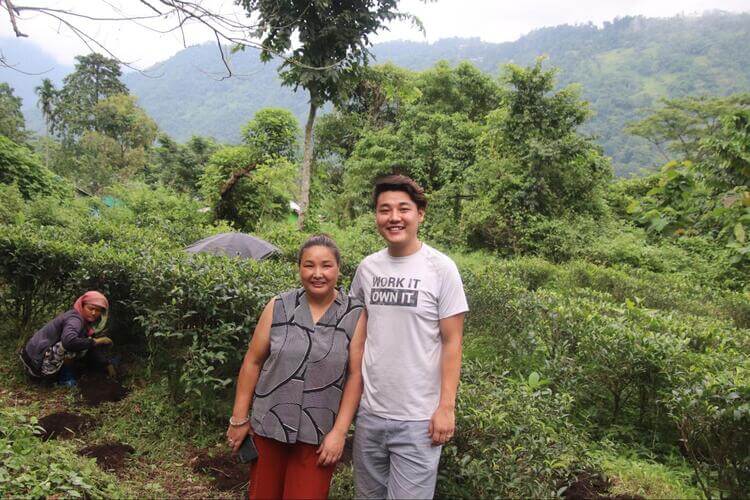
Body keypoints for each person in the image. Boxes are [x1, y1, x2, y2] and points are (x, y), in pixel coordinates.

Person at [349, 174, 469, 499]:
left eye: (404, 208)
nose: (394, 218)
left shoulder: (441, 269)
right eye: (384, 209)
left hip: (418, 420)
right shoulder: (367, 269)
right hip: (371, 415)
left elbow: (452, 342)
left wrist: (447, 407)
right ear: (376, 216)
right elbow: (357, 339)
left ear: (420, 213)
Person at [226, 234, 366, 499]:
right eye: (309, 265)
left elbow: (355, 376)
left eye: (326, 265)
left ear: (338, 268)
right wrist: (239, 418)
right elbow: (253, 362)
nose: (317, 273)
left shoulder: (354, 314)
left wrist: (339, 432)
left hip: (319, 434)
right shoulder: (278, 306)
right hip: (269, 426)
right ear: (299, 267)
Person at [20, 291, 116, 382]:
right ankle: (64, 376)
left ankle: (63, 369)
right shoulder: (75, 320)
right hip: (36, 365)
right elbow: (69, 342)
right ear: (82, 306)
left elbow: (91, 346)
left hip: (30, 359)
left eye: (98, 310)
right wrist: (98, 341)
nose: (94, 313)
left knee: (86, 343)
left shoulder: (84, 321)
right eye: (90, 308)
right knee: (75, 345)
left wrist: (107, 364)